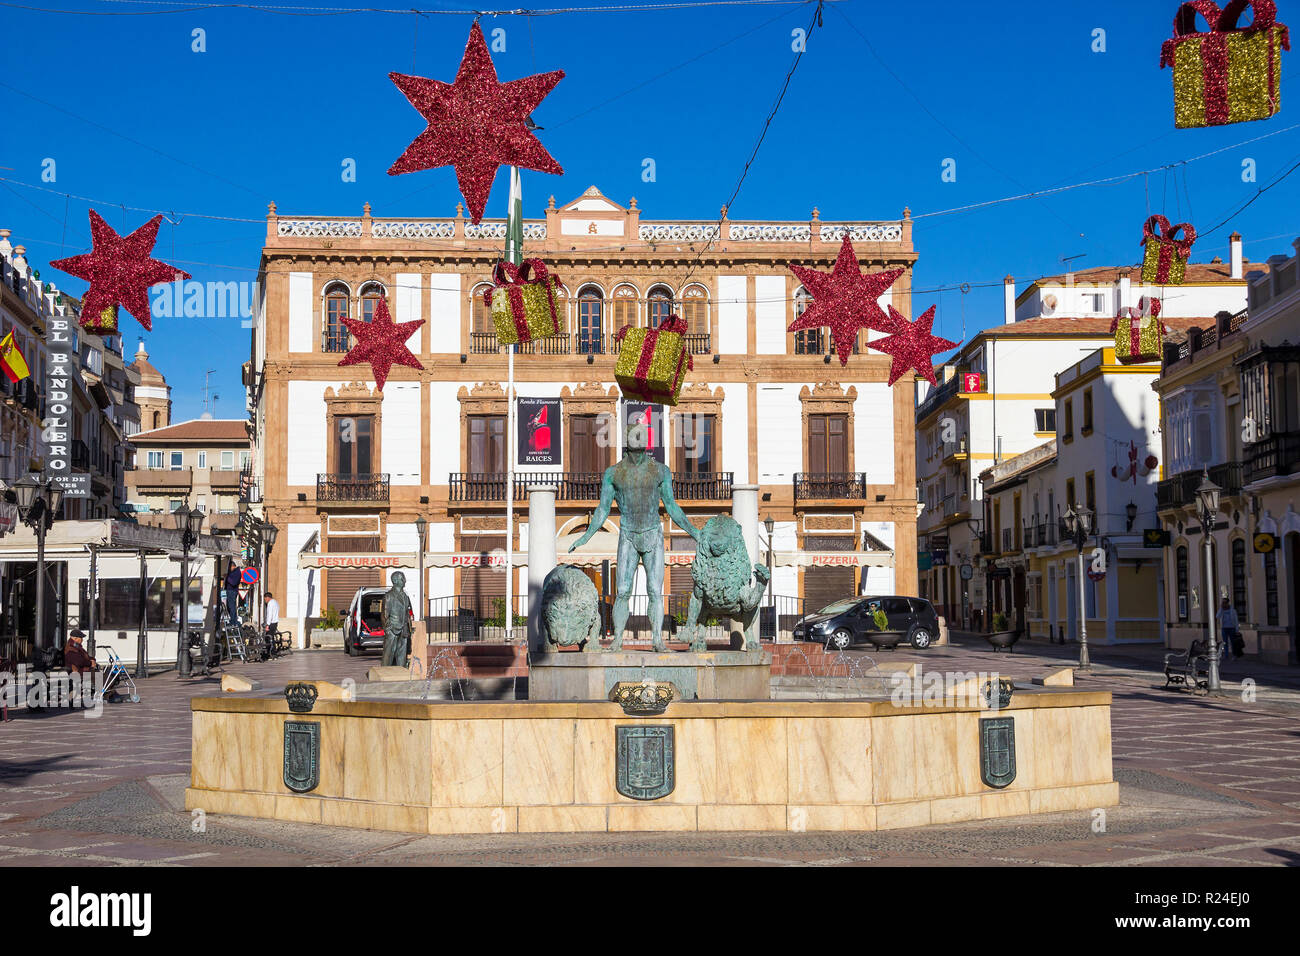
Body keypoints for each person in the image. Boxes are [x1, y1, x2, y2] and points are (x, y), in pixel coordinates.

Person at [569, 421, 701, 651]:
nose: (638, 438)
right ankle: (617, 639)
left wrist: (694, 532)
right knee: (622, 591)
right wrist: (586, 535)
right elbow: (602, 509)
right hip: (628, 534)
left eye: (642, 435)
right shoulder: (614, 473)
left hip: (653, 534)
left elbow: (671, 506)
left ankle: (657, 640)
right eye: (634, 434)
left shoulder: (660, 471)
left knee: (654, 591)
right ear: (627, 440)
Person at [264, 591, 281, 657]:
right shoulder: (275, 602)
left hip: (271, 623)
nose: (265, 600)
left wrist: (267, 625)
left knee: (268, 638)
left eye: (265, 598)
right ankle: (272, 652)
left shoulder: (270, 603)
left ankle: (271, 653)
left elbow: (269, 615)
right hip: (275, 622)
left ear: (267, 597)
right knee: (271, 638)